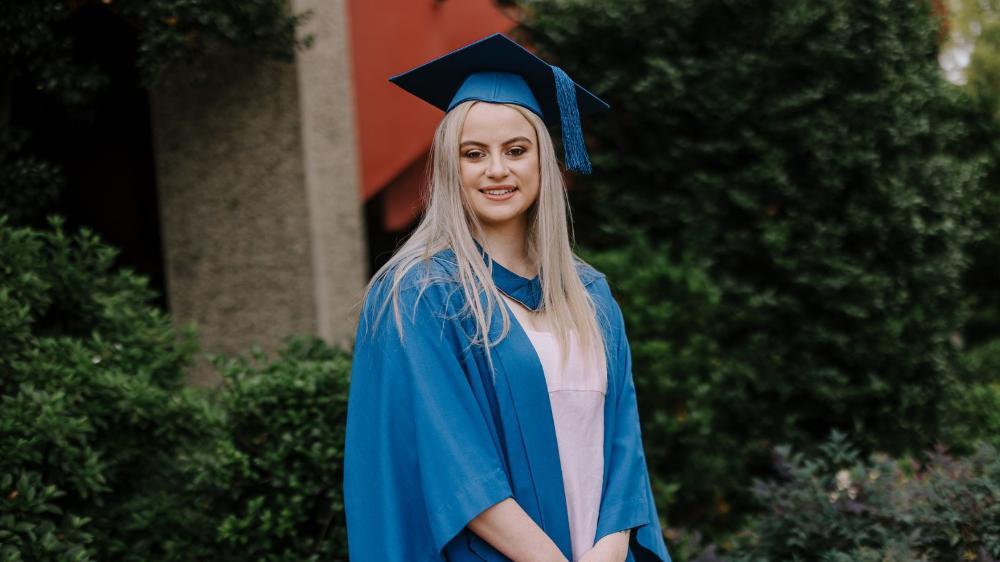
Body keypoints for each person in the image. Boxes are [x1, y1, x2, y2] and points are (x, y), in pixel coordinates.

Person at [343, 33, 672, 562]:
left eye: (516, 151)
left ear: (542, 161)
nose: (497, 169)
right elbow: (453, 465)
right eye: (474, 154)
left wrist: (609, 552)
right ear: (451, 168)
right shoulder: (421, 293)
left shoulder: (591, 296)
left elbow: (622, 448)